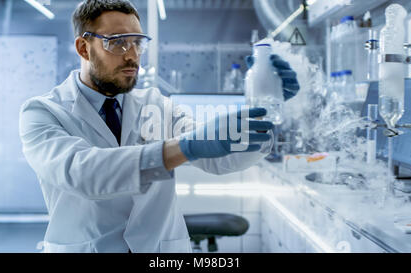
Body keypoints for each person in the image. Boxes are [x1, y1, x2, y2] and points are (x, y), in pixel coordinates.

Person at [18, 0, 299, 253]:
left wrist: (265, 107)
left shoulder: (157, 105)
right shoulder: (43, 111)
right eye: (118, 43)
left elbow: (222, 160)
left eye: (138, 42)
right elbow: (82, 172)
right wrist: (185, 147)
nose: (132, 55)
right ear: (83, 47)